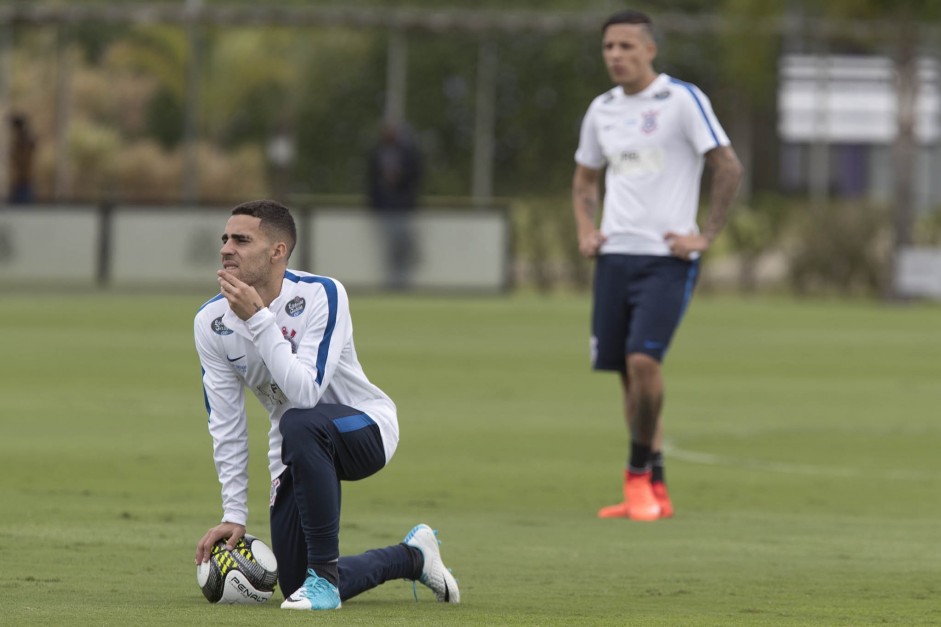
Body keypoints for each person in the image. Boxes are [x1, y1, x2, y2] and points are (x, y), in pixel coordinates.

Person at [193, 199, 460, 610]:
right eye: (225, 238)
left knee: (301, 421)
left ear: (277, 251)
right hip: (296, 446)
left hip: (365, 428)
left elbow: (306, 394)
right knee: (293, 582)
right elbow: (226, 423)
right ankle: (412, 557)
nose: (227, 248)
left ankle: (324, 581)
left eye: (242, 239)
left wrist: (258, 319)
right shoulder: (210, 323)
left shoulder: (322, 294)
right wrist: (233, 512)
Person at [571, 10, 743, 521]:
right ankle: (654, 488)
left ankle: (637, 475)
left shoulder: (682, 100)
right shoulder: (601, 110)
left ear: (650, 50)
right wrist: (586, 228)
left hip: (666, 258)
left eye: (626, 46)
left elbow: (727, 166)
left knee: (646, 362)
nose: (616, 56)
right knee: (629, 375)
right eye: (608, 47)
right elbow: (584, 181)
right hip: (614, 257)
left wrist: (705, 235)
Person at [366, 120, 422, 290]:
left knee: (404, 246)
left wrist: (399, 176)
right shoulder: (377, 152)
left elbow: (417, 175)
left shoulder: (408, 152)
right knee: (389, 247)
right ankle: (392, 282)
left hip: (403, 208)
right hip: (383, 208)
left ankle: (402, 281)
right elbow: (370, 178)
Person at [8, 114, 36, 204]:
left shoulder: (23, 139)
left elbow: (24, 157)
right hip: (21, 176)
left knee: (22, 203)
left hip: (23, 177)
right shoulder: (22, 138)